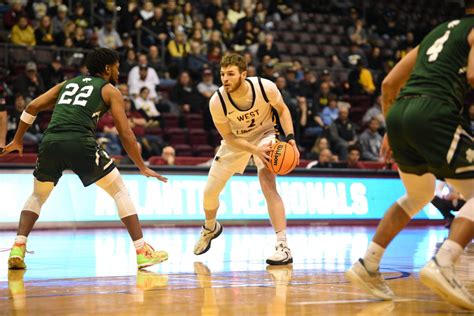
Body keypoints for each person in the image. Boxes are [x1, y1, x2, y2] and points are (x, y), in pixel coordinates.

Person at [345, 6, 474, 310]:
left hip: (402, 112)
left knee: (418, 194)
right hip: (433, 111)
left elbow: (390, 83)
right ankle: (444, 262)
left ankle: (369, 262)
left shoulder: (436, 33)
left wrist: (391, 126)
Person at [1, 48, 168, 270]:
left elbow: (32, 107)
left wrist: (18, 139)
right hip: (80, 142)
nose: (119, 71)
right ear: (108, 68)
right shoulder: (110, 90)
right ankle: (141, 251)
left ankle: (18, 247)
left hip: (50, 142)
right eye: (117, 66)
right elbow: (125, 133)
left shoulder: (67, 84)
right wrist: (141, 166)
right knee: (119, 191)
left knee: (38, 195)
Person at [193, 53, 300, 265]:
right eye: (222, 74)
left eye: (230, 74)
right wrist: (253, 149)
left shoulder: (265, 87)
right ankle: (210, 227)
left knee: (268, 182)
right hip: (237, 142)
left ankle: (282, 245)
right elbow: (229, 137)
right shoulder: (217, 101)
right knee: (209, 193)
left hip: (266, 134)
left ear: (244, 74)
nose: (225, 79)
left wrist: (291, 140)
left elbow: (283, 109)